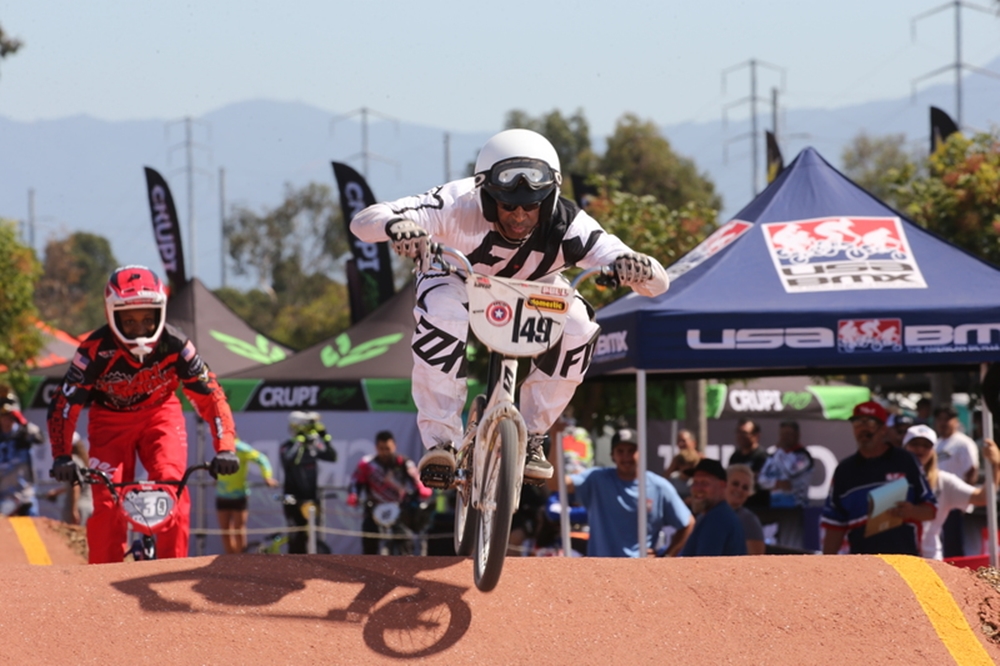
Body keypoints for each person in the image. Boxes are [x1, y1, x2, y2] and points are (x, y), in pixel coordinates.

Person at [350, 128, 669, 488]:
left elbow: (657, 283)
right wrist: (397, 225)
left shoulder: (570, 224)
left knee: (580, 326)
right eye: (507, 205)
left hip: (535, 289)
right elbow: (362, 222)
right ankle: (441, 442)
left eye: (532, 206)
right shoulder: (454, 203)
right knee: (443, 315)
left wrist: (631, 265)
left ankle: (531, 436)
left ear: (549, 199)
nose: (519, 217)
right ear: (485, 194)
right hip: (457, 278)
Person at [47, 266, 240, 564]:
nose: (139, 328)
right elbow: (65, 404)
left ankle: (172, 571)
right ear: (112, 315)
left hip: (160, 415)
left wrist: (225, 447)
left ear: (160, 313)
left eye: (148, 319)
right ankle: (102, 581)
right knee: (107, 503)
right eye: (129, 319)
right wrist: (61, 456)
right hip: (109, 422)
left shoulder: (176, 344)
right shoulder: (93, 350)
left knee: (172, 489)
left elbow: (212, 396)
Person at [820, 400, 936, 555]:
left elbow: (931, 510)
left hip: (905, 560)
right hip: (861, 564)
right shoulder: (844, 470)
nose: (863, 429)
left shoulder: (906, 460)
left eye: (870, 423)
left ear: (883, 429)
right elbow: (835, 525)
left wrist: (911, 511)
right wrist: (827, 566)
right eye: (858, 424)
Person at [566, 427, 693, 557]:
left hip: (641, 572)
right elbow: (557, 484)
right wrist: (554, 435)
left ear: (641, 453)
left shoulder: (659, 486)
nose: (626, 456)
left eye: (631, 451)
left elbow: (688, 523)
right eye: (620, 451)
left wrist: (667, 556)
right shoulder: (596, 479)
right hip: (601, 570)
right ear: (612, 455)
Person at [902, 424, 1000, 560]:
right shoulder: (889, 478)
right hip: (893, 555)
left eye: (926, 445)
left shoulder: (944, 482)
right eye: (914, 444)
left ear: (933, 451)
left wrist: (996, 466)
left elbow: (982, 498)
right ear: (904, 447)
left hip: (929, 559)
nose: (920, 449)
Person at [347, 430, 431, 555]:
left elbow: (416, 477)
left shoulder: (403, 462)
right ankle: (367, 568)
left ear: (394, 447)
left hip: (399, 509)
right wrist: (353, 495)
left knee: (405, 539)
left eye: (388, 448)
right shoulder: (367, 464)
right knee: (369, 539)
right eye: (381, 449)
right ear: (376, 448)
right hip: (373, 508)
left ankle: (405, 568)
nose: (385, 452)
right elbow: (355, 482)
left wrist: (422, 488)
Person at [279, 410, 338, 554]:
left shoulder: (313, 447)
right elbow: (289, 460)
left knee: (313, 536)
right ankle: (293, 571)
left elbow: (332, 456)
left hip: (312, 498)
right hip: (293, 499)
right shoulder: (286, 446)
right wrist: (300, 441)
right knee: (296, 537)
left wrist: (325, 437)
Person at [215, 438, 279, 554]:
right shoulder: (219, 446)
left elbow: (262, 459)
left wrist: (267, 476)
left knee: (238, 529)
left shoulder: (241, 448)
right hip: (221, 495)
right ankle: (229, 561)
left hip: (239, 495)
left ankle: (239, 561)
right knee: (225, 530)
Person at [934, 406, 979, 558]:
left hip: (956, 501)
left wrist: (965, 499)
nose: (943, 422)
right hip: (937, 501)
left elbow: (972, 470)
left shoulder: (963, 443)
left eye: (947, 418)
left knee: (955, 545)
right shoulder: (936, 443)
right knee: (940, 543)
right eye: (940, 419)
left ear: (956, 421)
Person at [680, 458, 748, 557]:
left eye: (704, 483)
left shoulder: (718, 518)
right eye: (695, 482)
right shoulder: (715, 515)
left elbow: (704, 567)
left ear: (722, 485)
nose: (697, 489)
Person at [0, 389, 44, 517]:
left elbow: (40, 438)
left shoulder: (24, 434)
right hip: (3, 497)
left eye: (10, 417)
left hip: (25, 496)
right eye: (4, 416)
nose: (7, 420)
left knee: (30, 532)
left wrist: (22, 421)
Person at [44, 432, 93, 526]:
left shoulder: (72, 461)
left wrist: (74, 509)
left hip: (78, 507)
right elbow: (75, 484)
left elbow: (76, 486)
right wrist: (56, 492)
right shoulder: (80, 460)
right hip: (86, 506)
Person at [726, 463, 765, 555]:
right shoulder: (707, 513)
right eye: (735, 484)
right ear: (724, 483)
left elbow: (756, 559)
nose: (739, 490)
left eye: (745, 488)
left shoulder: (748, 520)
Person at [729, 417, 768, 507]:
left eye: (745, 433)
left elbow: (760, 480)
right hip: (738, 505)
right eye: (738, 432)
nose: (740, 436)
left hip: (758, 505)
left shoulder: (763, 456)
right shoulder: (735, 457)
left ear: (756, 436)